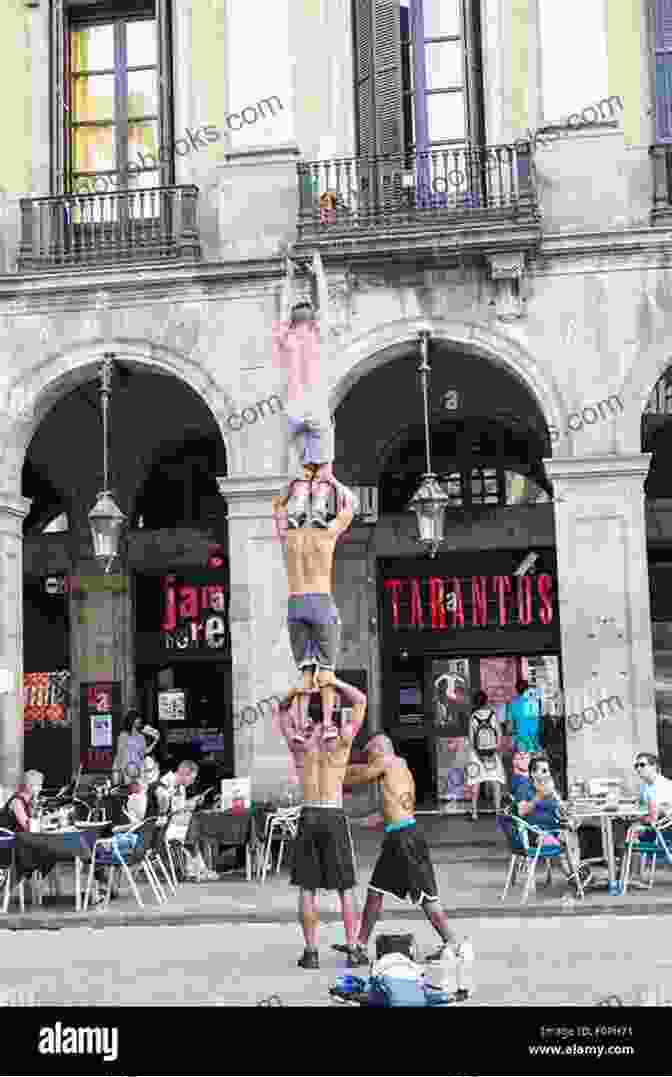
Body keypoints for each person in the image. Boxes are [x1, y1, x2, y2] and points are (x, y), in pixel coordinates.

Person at [334, 734, 474, 969]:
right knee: (375, 891)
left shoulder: (390, 761)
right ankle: (359, 945)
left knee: (426, 897)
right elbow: (382, 814)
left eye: (370, 755)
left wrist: (330, 772)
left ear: (380, 749)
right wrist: (351, 820)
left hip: (405, 839)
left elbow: (360, 776)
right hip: (398, 837)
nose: (370, 760)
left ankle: (455, 944)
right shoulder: (398, 770)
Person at [276, 671, 367, 970]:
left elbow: (281, 708)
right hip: (333, 811)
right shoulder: (340, 740)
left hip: (310, 811)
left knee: (307, 887)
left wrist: (298, 688)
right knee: (346, 887)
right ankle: (353, 948)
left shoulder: (299, 743)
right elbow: (361, 701)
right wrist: (334, 682)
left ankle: (311, 951)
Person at [273, 479, 354, 740]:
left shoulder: (289, 536)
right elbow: (350, 504)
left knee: (306, 670)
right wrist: (332, 483)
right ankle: (329, 724)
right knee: (327, 670)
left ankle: (300, 726)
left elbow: (277, 503)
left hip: (295, 603)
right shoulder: (326, 533)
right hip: (320, 601)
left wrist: (295, 487)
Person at [272, 251, 340, 528]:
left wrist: (288, 278)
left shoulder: (286, 339)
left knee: (300, 465)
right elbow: (324, 304)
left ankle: (297, 509)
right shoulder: (318, 335)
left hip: (293, 409)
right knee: (323, 467)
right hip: (317, 408)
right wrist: (319, 274)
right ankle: (319, 510)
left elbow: (282, 310)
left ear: (293, 321)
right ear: (312, 319)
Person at [514, 753, 591, 892]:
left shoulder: (549, 788)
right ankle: (574, 875)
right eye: (543, 771)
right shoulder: (524, 788)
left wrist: (567, 807)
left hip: (553, 830)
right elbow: (521, 811)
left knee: (572, 830)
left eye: (548, 771)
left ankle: (575, 873)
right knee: (565, 838)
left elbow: (559, 810)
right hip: (534, 834)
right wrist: (540, 795)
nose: (547, 774)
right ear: (532, 773)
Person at [626, 753, 672, 864]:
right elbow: (641, 805)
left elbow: (656, 815)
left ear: (654, 766)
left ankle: (628, 871)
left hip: (663, 829)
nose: (638, 768)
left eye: (642, 765)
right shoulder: (646, 786)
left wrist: (638, 817)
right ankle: (626, 870)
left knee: (626, 829)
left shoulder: (663, 785)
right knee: (622, 825)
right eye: (636, 766)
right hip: (653, 824)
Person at [466, 690, 505, 821]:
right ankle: (498, 811)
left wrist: (477, 755)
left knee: (475, 783)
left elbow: (471, 740)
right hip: (492, 753)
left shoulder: (473, 717)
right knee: (495, 781)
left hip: (477, 754)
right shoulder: (493, 715)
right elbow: (499, 734)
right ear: (486, 701)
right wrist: (495, 751)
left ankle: (474, 813)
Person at [112, 710, 160, 784]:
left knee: (139, 790)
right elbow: (120, 753)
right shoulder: (124, 735)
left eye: (139, 719)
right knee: (129, 790)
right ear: (132, 721)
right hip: (127, 767)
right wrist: (118, 770)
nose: (139, 720)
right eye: (137, 719)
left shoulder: (141, 736)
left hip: (139, 768)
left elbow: (144, 752)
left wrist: (155, 740)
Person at [506, 679, 542, 753]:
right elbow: (537, 723)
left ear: (516, 690)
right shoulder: (535, 702)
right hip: (535, 743)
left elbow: (509, 728)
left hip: (521, 744)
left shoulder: (512, 704)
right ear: (528, 689)